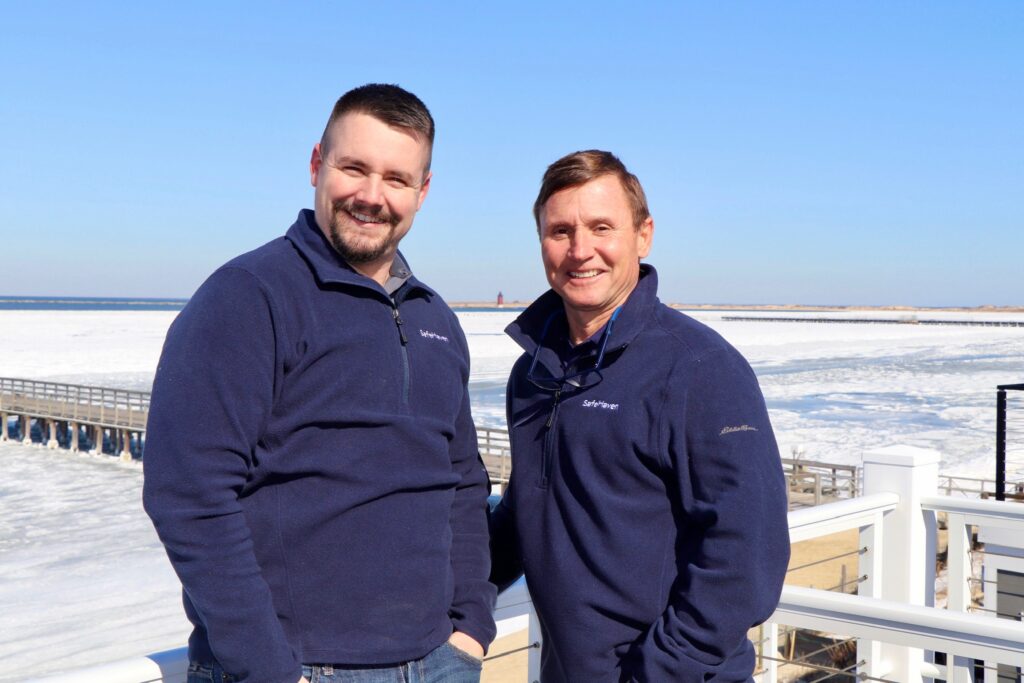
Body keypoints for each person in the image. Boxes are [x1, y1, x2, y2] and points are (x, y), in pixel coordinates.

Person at [143, 84, 496, 683]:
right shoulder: (249, 297)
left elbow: (462, 483)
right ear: (316, 165)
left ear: (422, 191)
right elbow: (189, 492)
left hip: (438, 662)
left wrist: (471, 631)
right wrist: (270, 670)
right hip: (301, 669)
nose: (371, 196)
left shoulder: (435, 319)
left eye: (396, 178)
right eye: (353, 168)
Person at [489, 150, 790, 682]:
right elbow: (525, 512)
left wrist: (659, 671)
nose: (581, 251)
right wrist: (444, 596)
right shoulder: (532, 377)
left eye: (601, 227)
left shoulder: (700, 369)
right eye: (560, 231)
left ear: (643, 235)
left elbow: (746, 556)